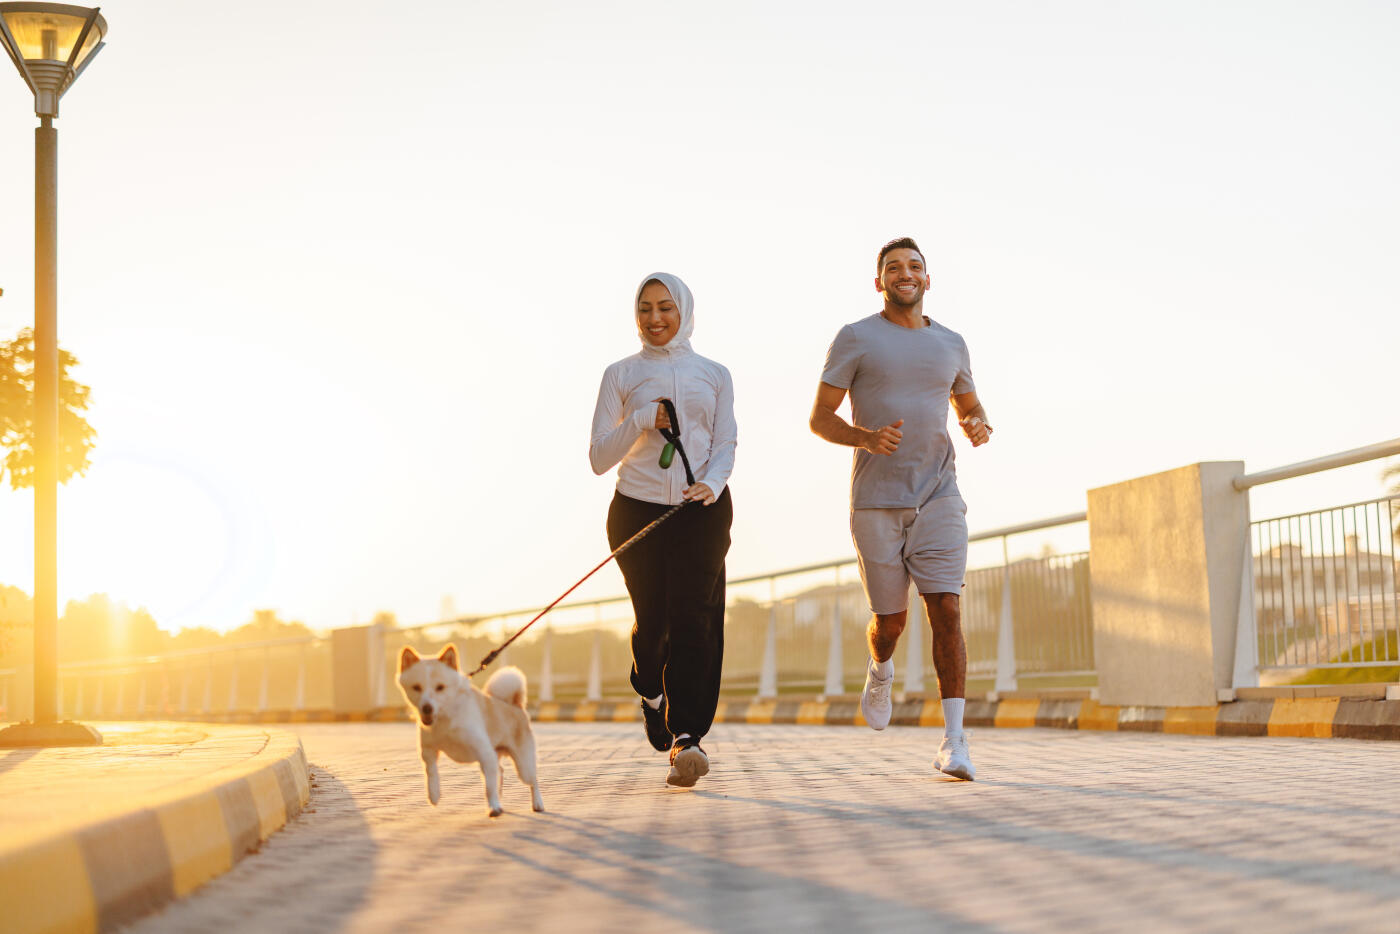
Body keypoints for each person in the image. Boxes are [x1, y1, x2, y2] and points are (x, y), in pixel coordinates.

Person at [809, 236, 992, 780]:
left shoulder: (953, 343)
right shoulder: (856, 338)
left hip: (938, 492)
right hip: (875, 502)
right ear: (880, 281)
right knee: (891, 620)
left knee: (947, 609)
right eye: (894, 267)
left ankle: (954, 743)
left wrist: (977, 422)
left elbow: (968, 402)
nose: (904, 274)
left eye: (914, 267)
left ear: (928, 280)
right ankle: (880, 668)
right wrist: (864, 438)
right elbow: (819, 418)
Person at [589, 272, 736, 787]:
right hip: (637, 510)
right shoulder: (621, 374)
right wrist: (641, 421)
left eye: (666, 308)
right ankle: (649, 689)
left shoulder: (714, 373)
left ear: (685, 311)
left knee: (694, 619)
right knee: (653, 625)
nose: (655, 318)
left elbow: (725, 442)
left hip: (702, 508)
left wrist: (713, 485)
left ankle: (686, 738)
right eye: (646, 308)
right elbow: (598, 458)